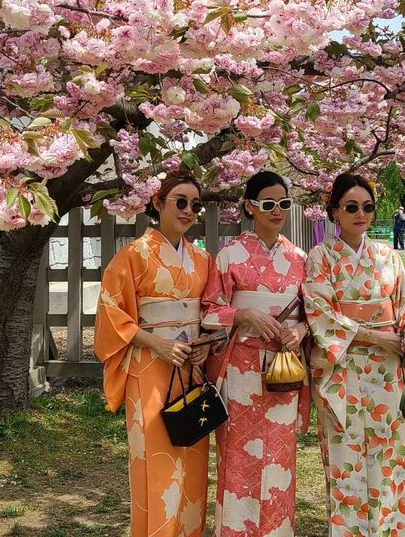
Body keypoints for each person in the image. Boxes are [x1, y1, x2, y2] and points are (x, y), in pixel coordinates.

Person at [303, 172, 405, 537]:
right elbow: (320, 315)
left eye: (368, 207)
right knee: (346, 466)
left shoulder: (389, 256)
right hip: (341, 372)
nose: (361, 214)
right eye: (351, 207)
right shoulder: (321, 257)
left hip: (387, 374)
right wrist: (379, 338)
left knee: (389, 462)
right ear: (334, 212)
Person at [94, 172, 212, 537]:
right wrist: (155, 342)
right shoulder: (133, 255)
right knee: (157, 463)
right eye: (180, 201)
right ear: (157, 203)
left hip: (190, 368)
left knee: (193, 462)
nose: (188, 210)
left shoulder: (202, 258)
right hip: (149, 368)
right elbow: (112, 313)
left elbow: (209, 312)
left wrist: (204, 346)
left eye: (195, 204)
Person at [202, 171, 310, 537]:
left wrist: (300, 330)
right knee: (237, 457)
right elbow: (209, 310)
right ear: (250, 206)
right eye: (268, 203)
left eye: (283, 203)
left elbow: (312, 314)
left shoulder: (299, 257)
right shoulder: (229, 255)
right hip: (240, 369)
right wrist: (241, 314)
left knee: (281, 457)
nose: (276, 210)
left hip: (284, 368)